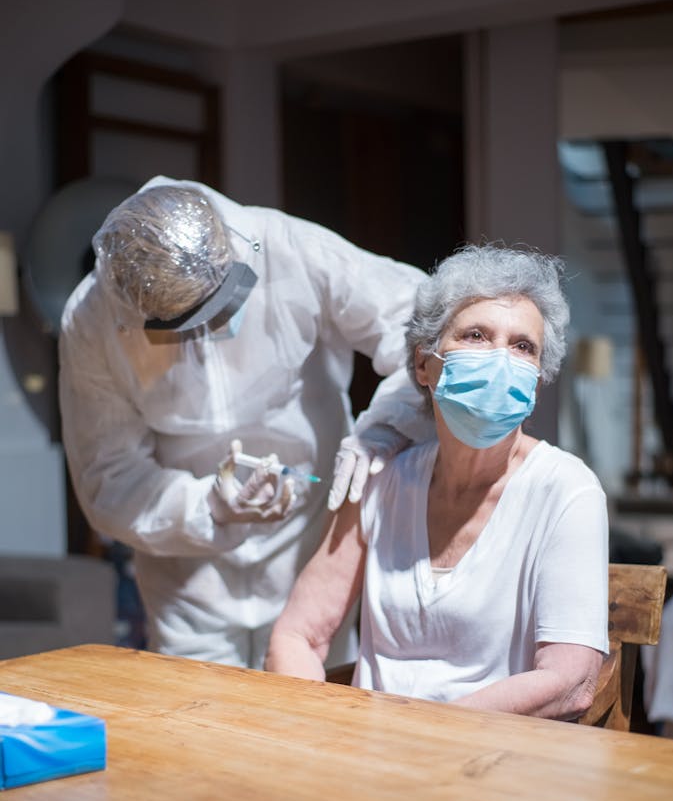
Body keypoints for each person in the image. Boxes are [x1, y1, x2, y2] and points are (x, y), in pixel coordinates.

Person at [59, 176, 428, 669]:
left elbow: (420, 322)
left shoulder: (290, 247)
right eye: (185, 332)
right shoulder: (91, 320)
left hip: (311, 541)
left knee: (314, 718)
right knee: (198, 726)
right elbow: (108, 476)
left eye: (221, 312)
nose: (209, 339)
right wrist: (208, 505)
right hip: (187, 572)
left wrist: (387, 425)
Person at [265, 244, 610, 718]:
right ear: (424, 366)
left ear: (537, 380)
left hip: (490, 761)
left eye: (522, 345)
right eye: (476, 335)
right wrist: (318, 731)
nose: (500, 359)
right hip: (367, 761)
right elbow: (297, 635)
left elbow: (570, 682)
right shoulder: (383, 482)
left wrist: (430, 735)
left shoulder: (567, 491)